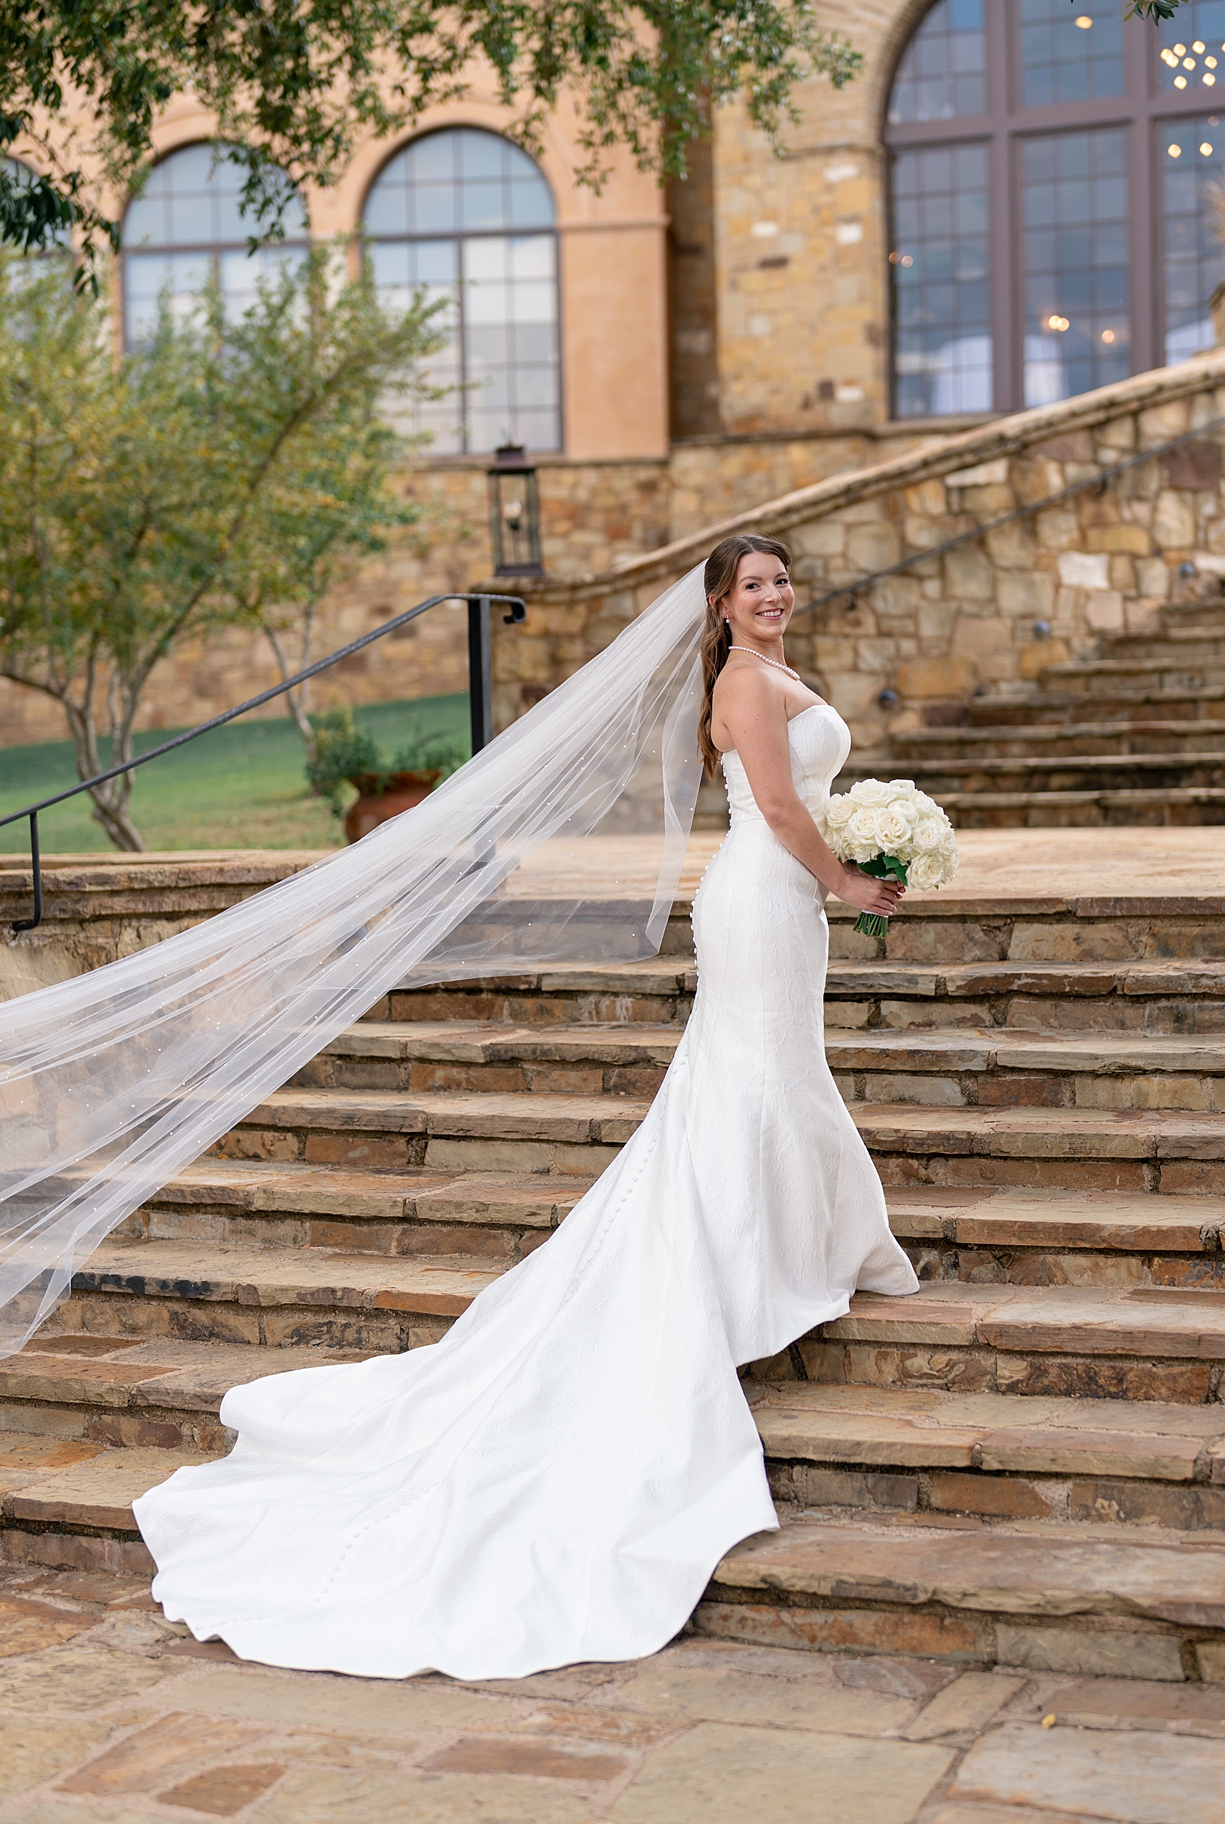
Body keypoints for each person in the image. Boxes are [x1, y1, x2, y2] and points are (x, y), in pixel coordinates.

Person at [133, 531, 919, 1681]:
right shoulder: (745, 682)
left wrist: (860, 851)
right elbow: (778, 808)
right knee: (753, 1080)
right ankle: (760, 1263)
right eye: (753, 584)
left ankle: (805, 1246)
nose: (773, 594)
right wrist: (847, 878)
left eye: (781, 579)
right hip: (765, 897)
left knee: (771, 1077)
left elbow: (810, 801)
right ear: (720, 605)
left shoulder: (775, 672)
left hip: (782, 906)